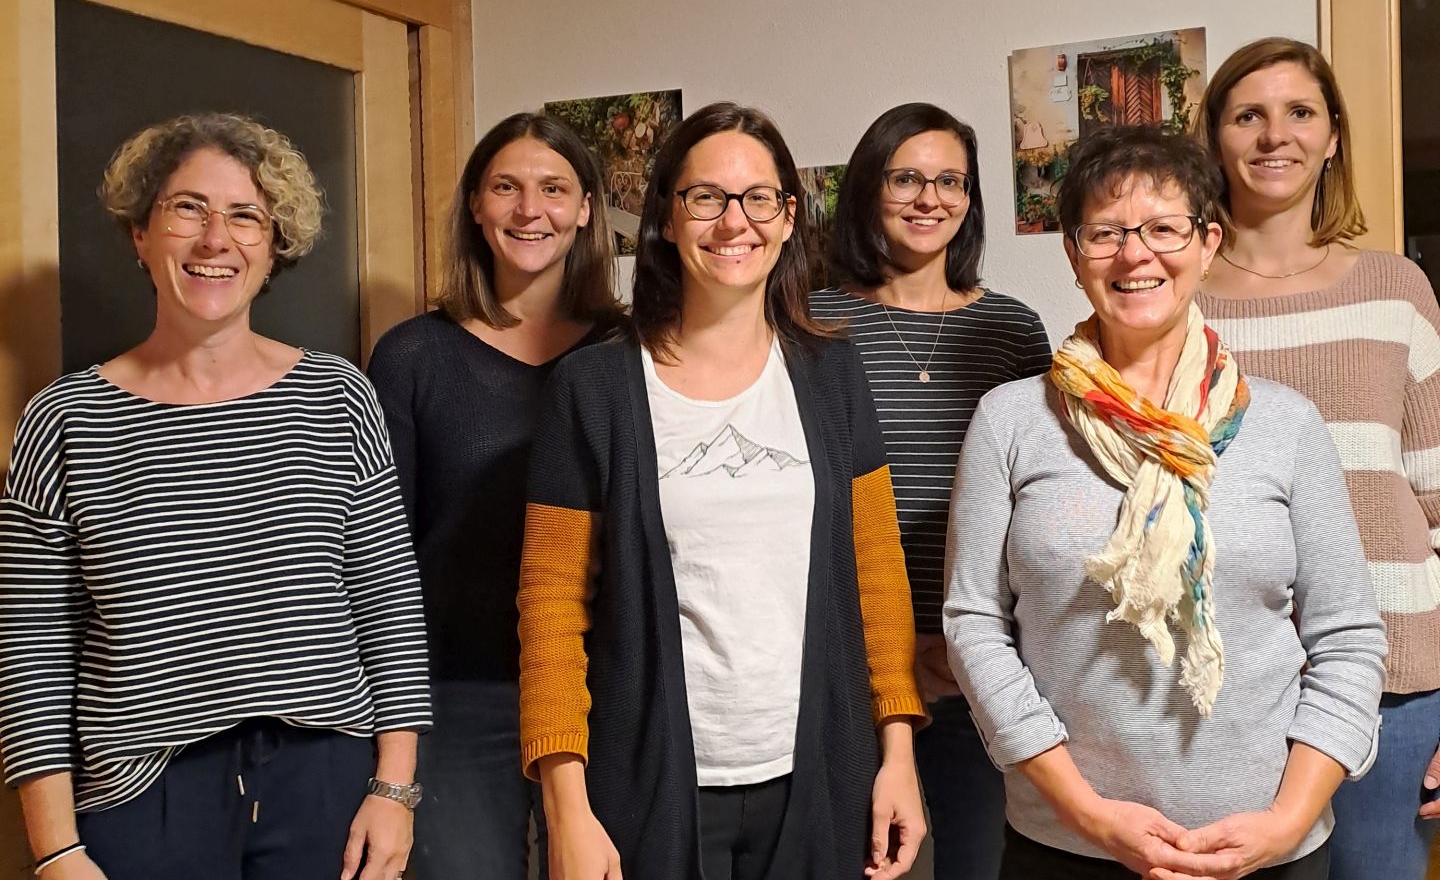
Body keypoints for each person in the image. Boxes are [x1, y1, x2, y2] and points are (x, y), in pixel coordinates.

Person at [943, 124, 1386, 880]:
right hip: (1068, 846)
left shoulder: (1286, 424)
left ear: (1208, 243)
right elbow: (975, 625)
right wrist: (1086, 812)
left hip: (1267, 848)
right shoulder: (1011, 421)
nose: (1135, 254)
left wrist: (1284, 824)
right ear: (1074, 255)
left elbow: (1347, 637)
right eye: (1106, 232)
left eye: (1163, 228)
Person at [0, 113, 431, 880]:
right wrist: (55, 848)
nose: (215, 240)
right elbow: (31, 646)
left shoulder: (337, 397)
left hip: (327, 782)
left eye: (245, 217)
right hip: (142, 796)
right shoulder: (63, 420)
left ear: (273, 246)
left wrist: (394, 789)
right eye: (188, 209)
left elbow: (388, 600)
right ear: (140, 233)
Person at [517, 101, 926, 880]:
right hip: (645, 786)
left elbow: (877, 571)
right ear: (667, 217)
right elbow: (550, 607)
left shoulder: (833, 374)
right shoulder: (592, 387)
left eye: (758, 198)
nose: (734, 221)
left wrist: (898, 754)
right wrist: (566, 807)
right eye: (706, 197)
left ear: (787, 218)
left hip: (820, 774)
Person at [1192, 37, 1440, 880]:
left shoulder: (1396, 288)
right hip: (1231, 686)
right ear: (1215, 139)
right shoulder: (1172, 298)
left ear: (1333, 135)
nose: (1275, 135)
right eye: (1248, 116)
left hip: (1395, 680)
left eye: (1299, 112)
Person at [367, 111, 625, 879]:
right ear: (476, 207)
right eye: (506, 187)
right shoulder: (413, 356)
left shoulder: (634, 352)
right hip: (456, 695)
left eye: (554, 189)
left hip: (604, 691)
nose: (529, 209)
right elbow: (381, 556)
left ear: (586, 209)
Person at [810, 102, 1050, 879]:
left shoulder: (1013, 330)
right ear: (867, 190)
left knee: (982, 866)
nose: (930, 198)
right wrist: (887, 653)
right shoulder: (810, 322)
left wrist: (968, 645)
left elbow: (1038, 502)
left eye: (951, 181)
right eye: (906, 178)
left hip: (979, 666)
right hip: (849, 669)